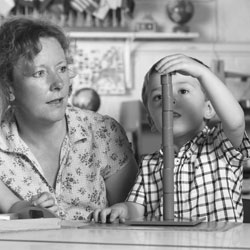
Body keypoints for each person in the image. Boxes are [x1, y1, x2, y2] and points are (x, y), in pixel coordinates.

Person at [0, 16, 138, 220]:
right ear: (9, 87)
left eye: (62, 68)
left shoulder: (103, 132)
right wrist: (19, 209)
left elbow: (137, 214)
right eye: (39, 73)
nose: (58, 83)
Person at [94, 54, 250, 223]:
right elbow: (137, 207)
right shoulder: (149, 164)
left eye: (183, 91)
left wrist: (203, 74)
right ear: (151, 121)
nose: (170, 100)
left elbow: (235, 122)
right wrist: (123, 209)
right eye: (158, 97)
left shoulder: (220, 145)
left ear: (209, 108)